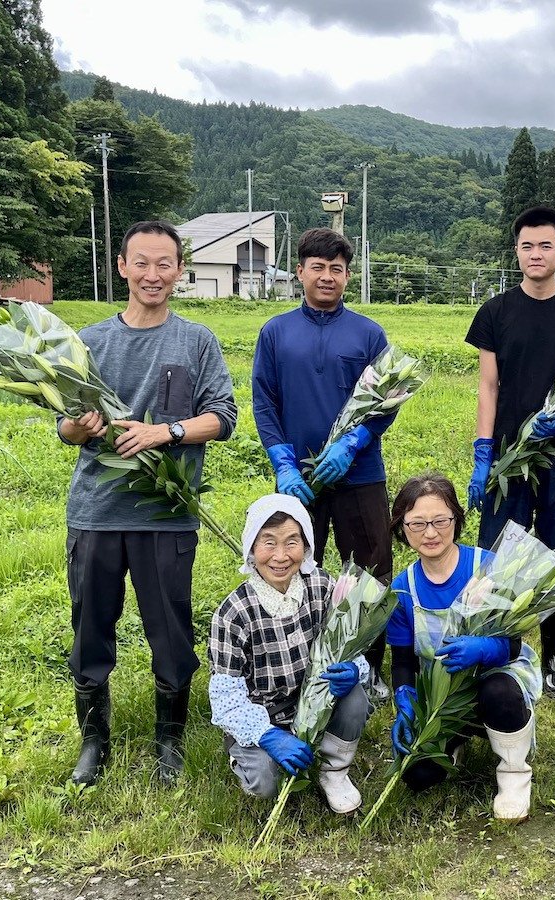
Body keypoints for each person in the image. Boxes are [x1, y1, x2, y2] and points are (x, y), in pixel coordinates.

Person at [58, 220, 237, 786]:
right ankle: (94, 740)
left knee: (170, 629)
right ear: (122, 267)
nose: (153, 275)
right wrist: (81, 428)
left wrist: (167, 433)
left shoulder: (197, 340)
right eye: (142, 263)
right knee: (91, 626)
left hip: (167, 513)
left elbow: (223, 417)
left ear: (180, 271)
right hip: (97, 511)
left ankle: (170, 741)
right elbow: (62, 426)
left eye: (165, 264)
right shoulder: (88, 343)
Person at [252, 227, 396, 701]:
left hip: (360, 474)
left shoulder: (369, 333)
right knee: (292, 565)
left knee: (369, 570)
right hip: (300, 482)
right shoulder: (275, 332)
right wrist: (283, 464)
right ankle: (293, 660)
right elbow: (264, 402)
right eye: (318, 267)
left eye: (337, 269)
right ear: (300, 272)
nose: (328, 277)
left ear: (347, 275)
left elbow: (387, 399)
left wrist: (353, 443)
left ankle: (369, 667)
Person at [465, 205, 555, 698]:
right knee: (500, 558)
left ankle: (553, 659)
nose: (536, 254)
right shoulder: (496, 312)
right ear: (516, 251)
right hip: (508, 459)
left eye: (546, 245)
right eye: (527, 246)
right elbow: (488, 386)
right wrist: (484, 453)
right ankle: (505, 654)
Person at [386, 473, 538, 821]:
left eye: (440, 520)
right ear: (402, 528)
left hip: (495, 676)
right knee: (418, 776)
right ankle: (453, 743)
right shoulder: (403, 588)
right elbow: (402, 661)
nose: (430, 533)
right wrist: (405, 701)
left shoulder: (487, 567)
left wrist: (485, 648)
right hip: (444, 692)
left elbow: (513, 645)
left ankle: (514, 772)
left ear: (456, 519)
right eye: (417, 523)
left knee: (498, 692)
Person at [207, 494, 371, 814]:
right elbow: (226, 701)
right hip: (263, 718)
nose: (280, 556)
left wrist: (353, 668)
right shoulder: (232, 614)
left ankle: (333, 771)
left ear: (306, 546)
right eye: (268, 543)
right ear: (252, 550)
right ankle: (248, 753)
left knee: (356, 696)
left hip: (316, 703)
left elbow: (351, 644)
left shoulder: (322, 585)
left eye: (292, 542)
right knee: (266, 783)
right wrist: (267, 735)